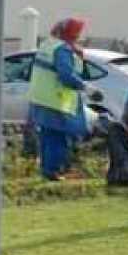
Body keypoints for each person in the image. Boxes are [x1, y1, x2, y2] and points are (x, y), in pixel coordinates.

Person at [28, 18, 105, 181]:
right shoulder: (62, 50)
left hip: (40, 98)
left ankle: (47, 171)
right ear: (70, 33)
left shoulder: (47, 44)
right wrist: (88, 88)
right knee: (59, 137)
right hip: (56, 99)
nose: (78, 37)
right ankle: (54, 172)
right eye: (76, 33)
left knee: (47, 136)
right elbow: (66, 75)